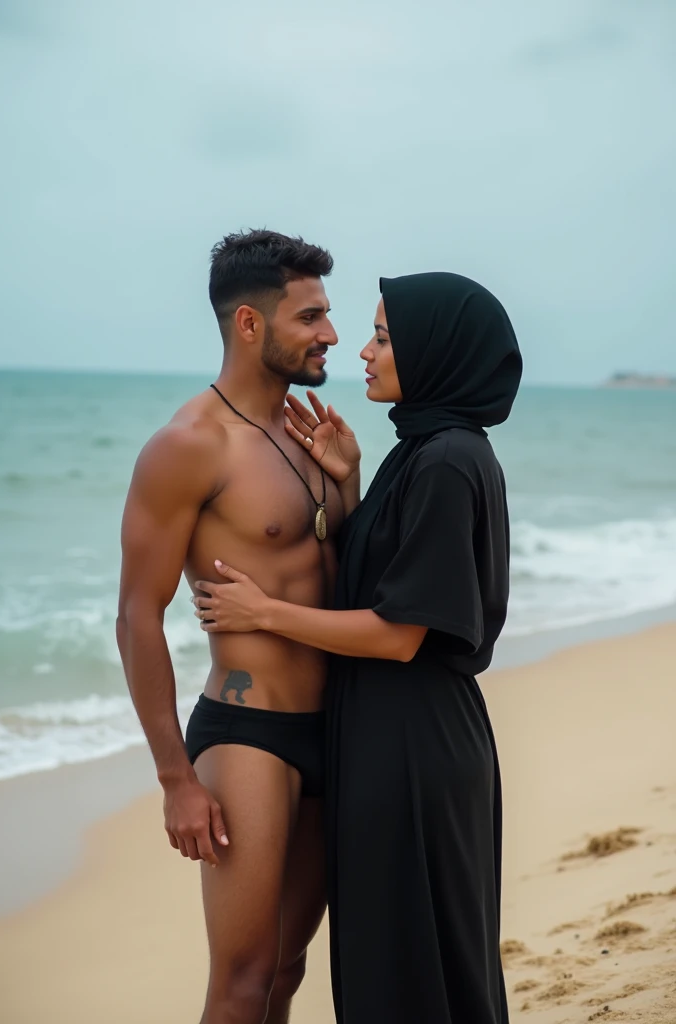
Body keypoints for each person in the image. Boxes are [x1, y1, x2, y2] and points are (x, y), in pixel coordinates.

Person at [192, 271, 523, 1024]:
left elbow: (398, 633)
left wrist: (264, 612)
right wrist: (350, 487)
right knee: (405, 958)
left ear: (435, 352)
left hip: (413, 744)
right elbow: (383, 583)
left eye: (383, 336)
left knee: (413, 964)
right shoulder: (423, 451)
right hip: (397, 736)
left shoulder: (444, 460)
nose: (363, 351)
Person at [117, 229, 361, 1024]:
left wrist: (346, 484)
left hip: (335, 730)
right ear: (251, 325)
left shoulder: (300, 434)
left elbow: (336, 574)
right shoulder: (189, 447)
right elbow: (136, 617)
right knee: (243, 980)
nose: (331, 334)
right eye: (313, 317)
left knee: (286, 971)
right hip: (249, 736)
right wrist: (175, 780)